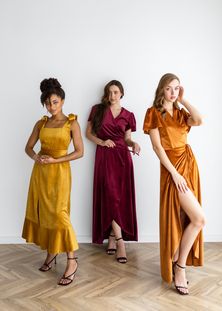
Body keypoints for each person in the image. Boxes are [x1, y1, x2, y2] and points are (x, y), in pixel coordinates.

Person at [143, 73, 205, 295]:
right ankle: (179, 268)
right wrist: (174, 174)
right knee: (199, 219)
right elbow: (158, 148)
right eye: (169, 88)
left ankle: (179, 264)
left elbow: (199, 120)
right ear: (161, 89)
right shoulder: (153, 113)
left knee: (187, 218)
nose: (173, 92)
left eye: (177, 88)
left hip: (188, 164)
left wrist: (184, 100)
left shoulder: (181, 113)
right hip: (172, 170)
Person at [22, 78, 84, 286]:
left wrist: (57, 159)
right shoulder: (41, 123)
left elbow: (79, 152)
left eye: (55, 102)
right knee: (46, 213)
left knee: (59, 215)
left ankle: (72, 261)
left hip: (60, 172)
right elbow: (28, 147)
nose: (51, 106)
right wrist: (36, 157)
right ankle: (51, 253)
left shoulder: (71, 123)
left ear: (63, 101)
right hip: (41, 173)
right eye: (48, 103)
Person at [86, 80, 140, 263]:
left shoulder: (128, 115)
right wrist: (102, 142)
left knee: (119, 199)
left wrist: (135, 144)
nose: (112, 96)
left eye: (116, 92)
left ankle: (111, 236)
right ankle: (120, 241)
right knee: (110, 196)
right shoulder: (97, 110)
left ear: (122, 93)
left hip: (123, 159)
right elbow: (89, 134)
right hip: (105, 157)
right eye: (109, 92)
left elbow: (127, 139)